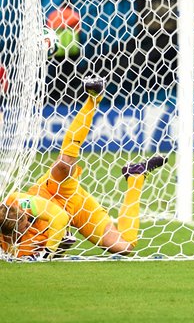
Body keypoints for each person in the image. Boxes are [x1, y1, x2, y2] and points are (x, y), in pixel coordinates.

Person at [0, 77, 167, 260]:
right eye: (25, 223)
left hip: (55, 191)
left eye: (26, 217)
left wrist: (48, 253)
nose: (29, 219)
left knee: (64, 164)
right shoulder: (14, 249)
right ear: (11, 235)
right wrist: (59, 248)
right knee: (124, 247)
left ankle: (94, 98)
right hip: (78, 211)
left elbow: (59, 217)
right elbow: (55, 245)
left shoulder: (19, 202)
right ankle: (136, 176)